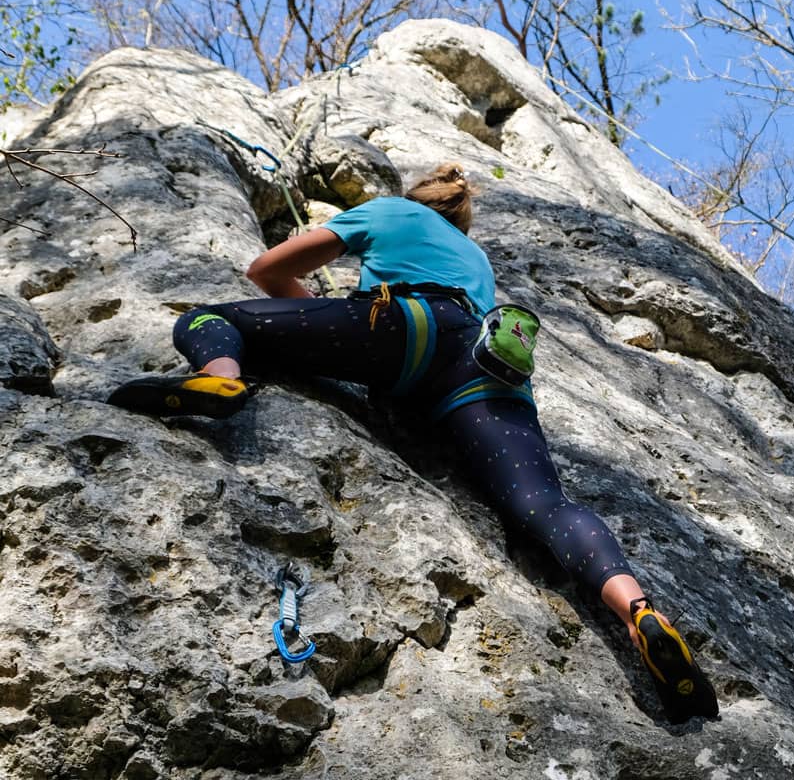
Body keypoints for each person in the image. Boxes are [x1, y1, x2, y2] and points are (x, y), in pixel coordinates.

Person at [109, 163, 718, 723]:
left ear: (417, 197)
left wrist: (316, 319)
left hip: (403, 334)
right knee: (544, 506)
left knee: (208, 318)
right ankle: (639, 611)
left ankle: (221, 377)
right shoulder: (476, 257)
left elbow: (267, 271)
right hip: (484, 368)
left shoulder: (390, 212)